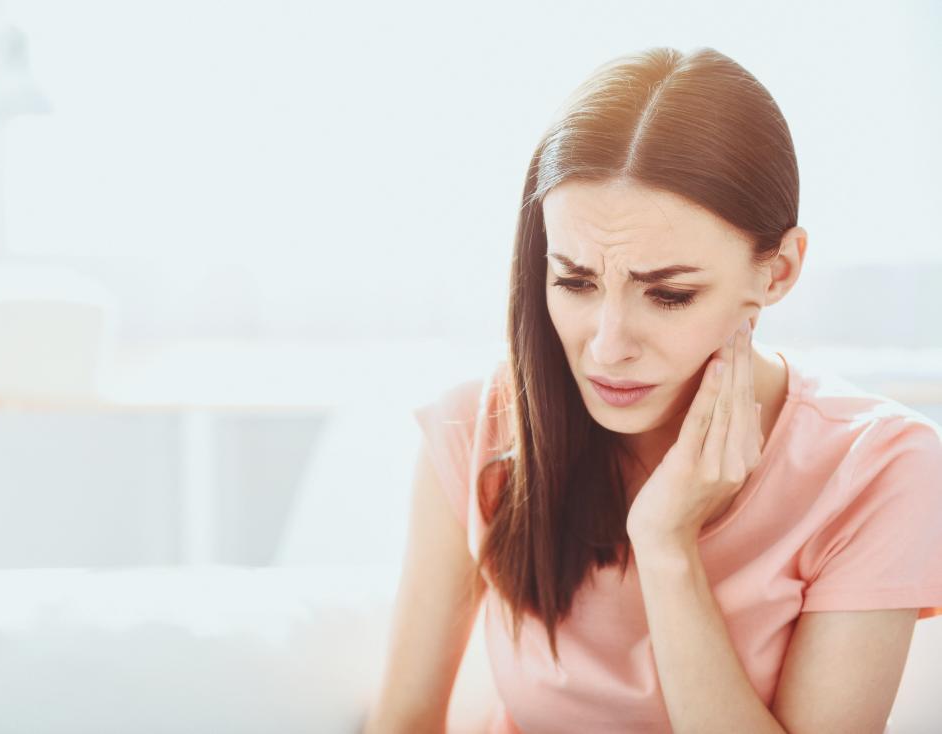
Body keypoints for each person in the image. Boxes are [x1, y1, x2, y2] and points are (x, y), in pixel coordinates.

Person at [363, 46, 942, 734]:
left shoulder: (879, 468)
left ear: (778, 272)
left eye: (668, 295)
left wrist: (666, 545)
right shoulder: (478, 426)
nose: (607, 347)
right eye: (575, 282)